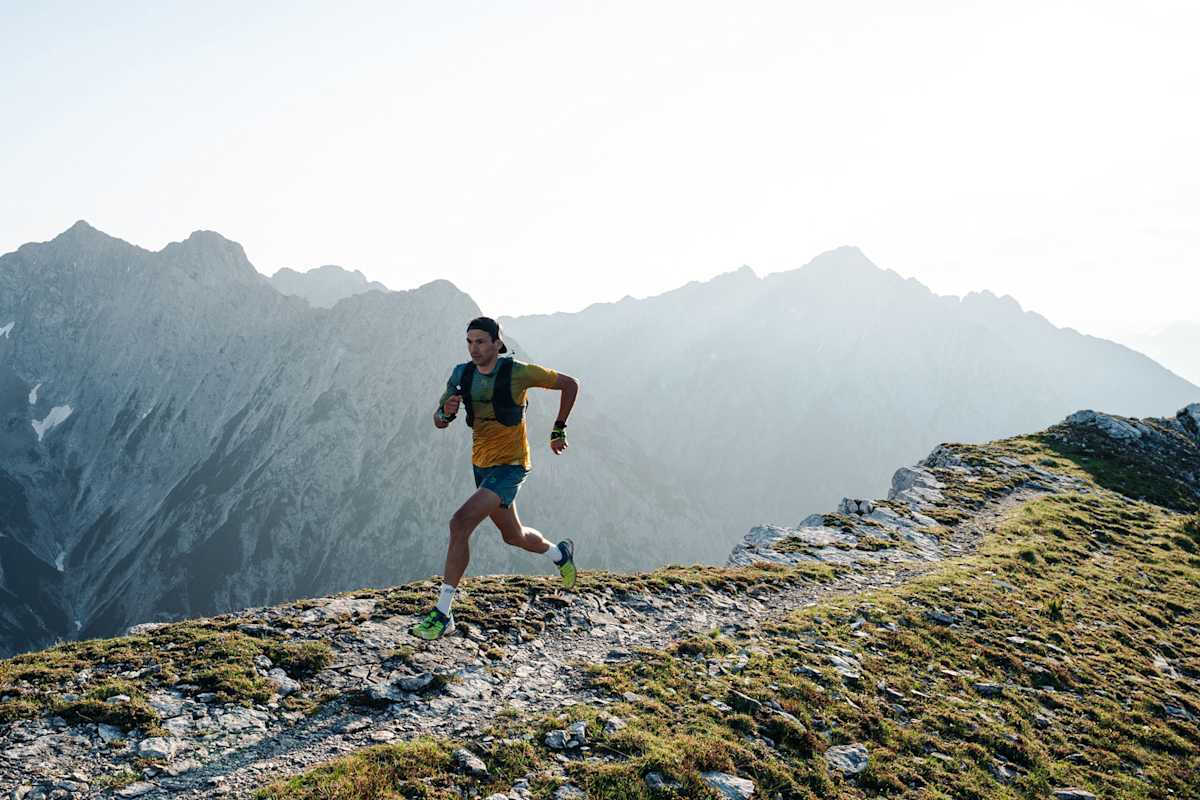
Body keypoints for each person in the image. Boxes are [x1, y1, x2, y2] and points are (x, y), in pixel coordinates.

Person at [410, 316, 580, 641]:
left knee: (460, 523)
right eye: (469, 342)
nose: (474, 348)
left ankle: (443, 613)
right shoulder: (462, 375)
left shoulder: (518, 372)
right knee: (513, 536)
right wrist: (445, 411)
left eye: (481, 342)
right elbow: (439, 421)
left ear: (497, 343)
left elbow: (570, 384)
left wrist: (559, 428)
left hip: (512, 465)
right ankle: (560, 554)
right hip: (482, 466)